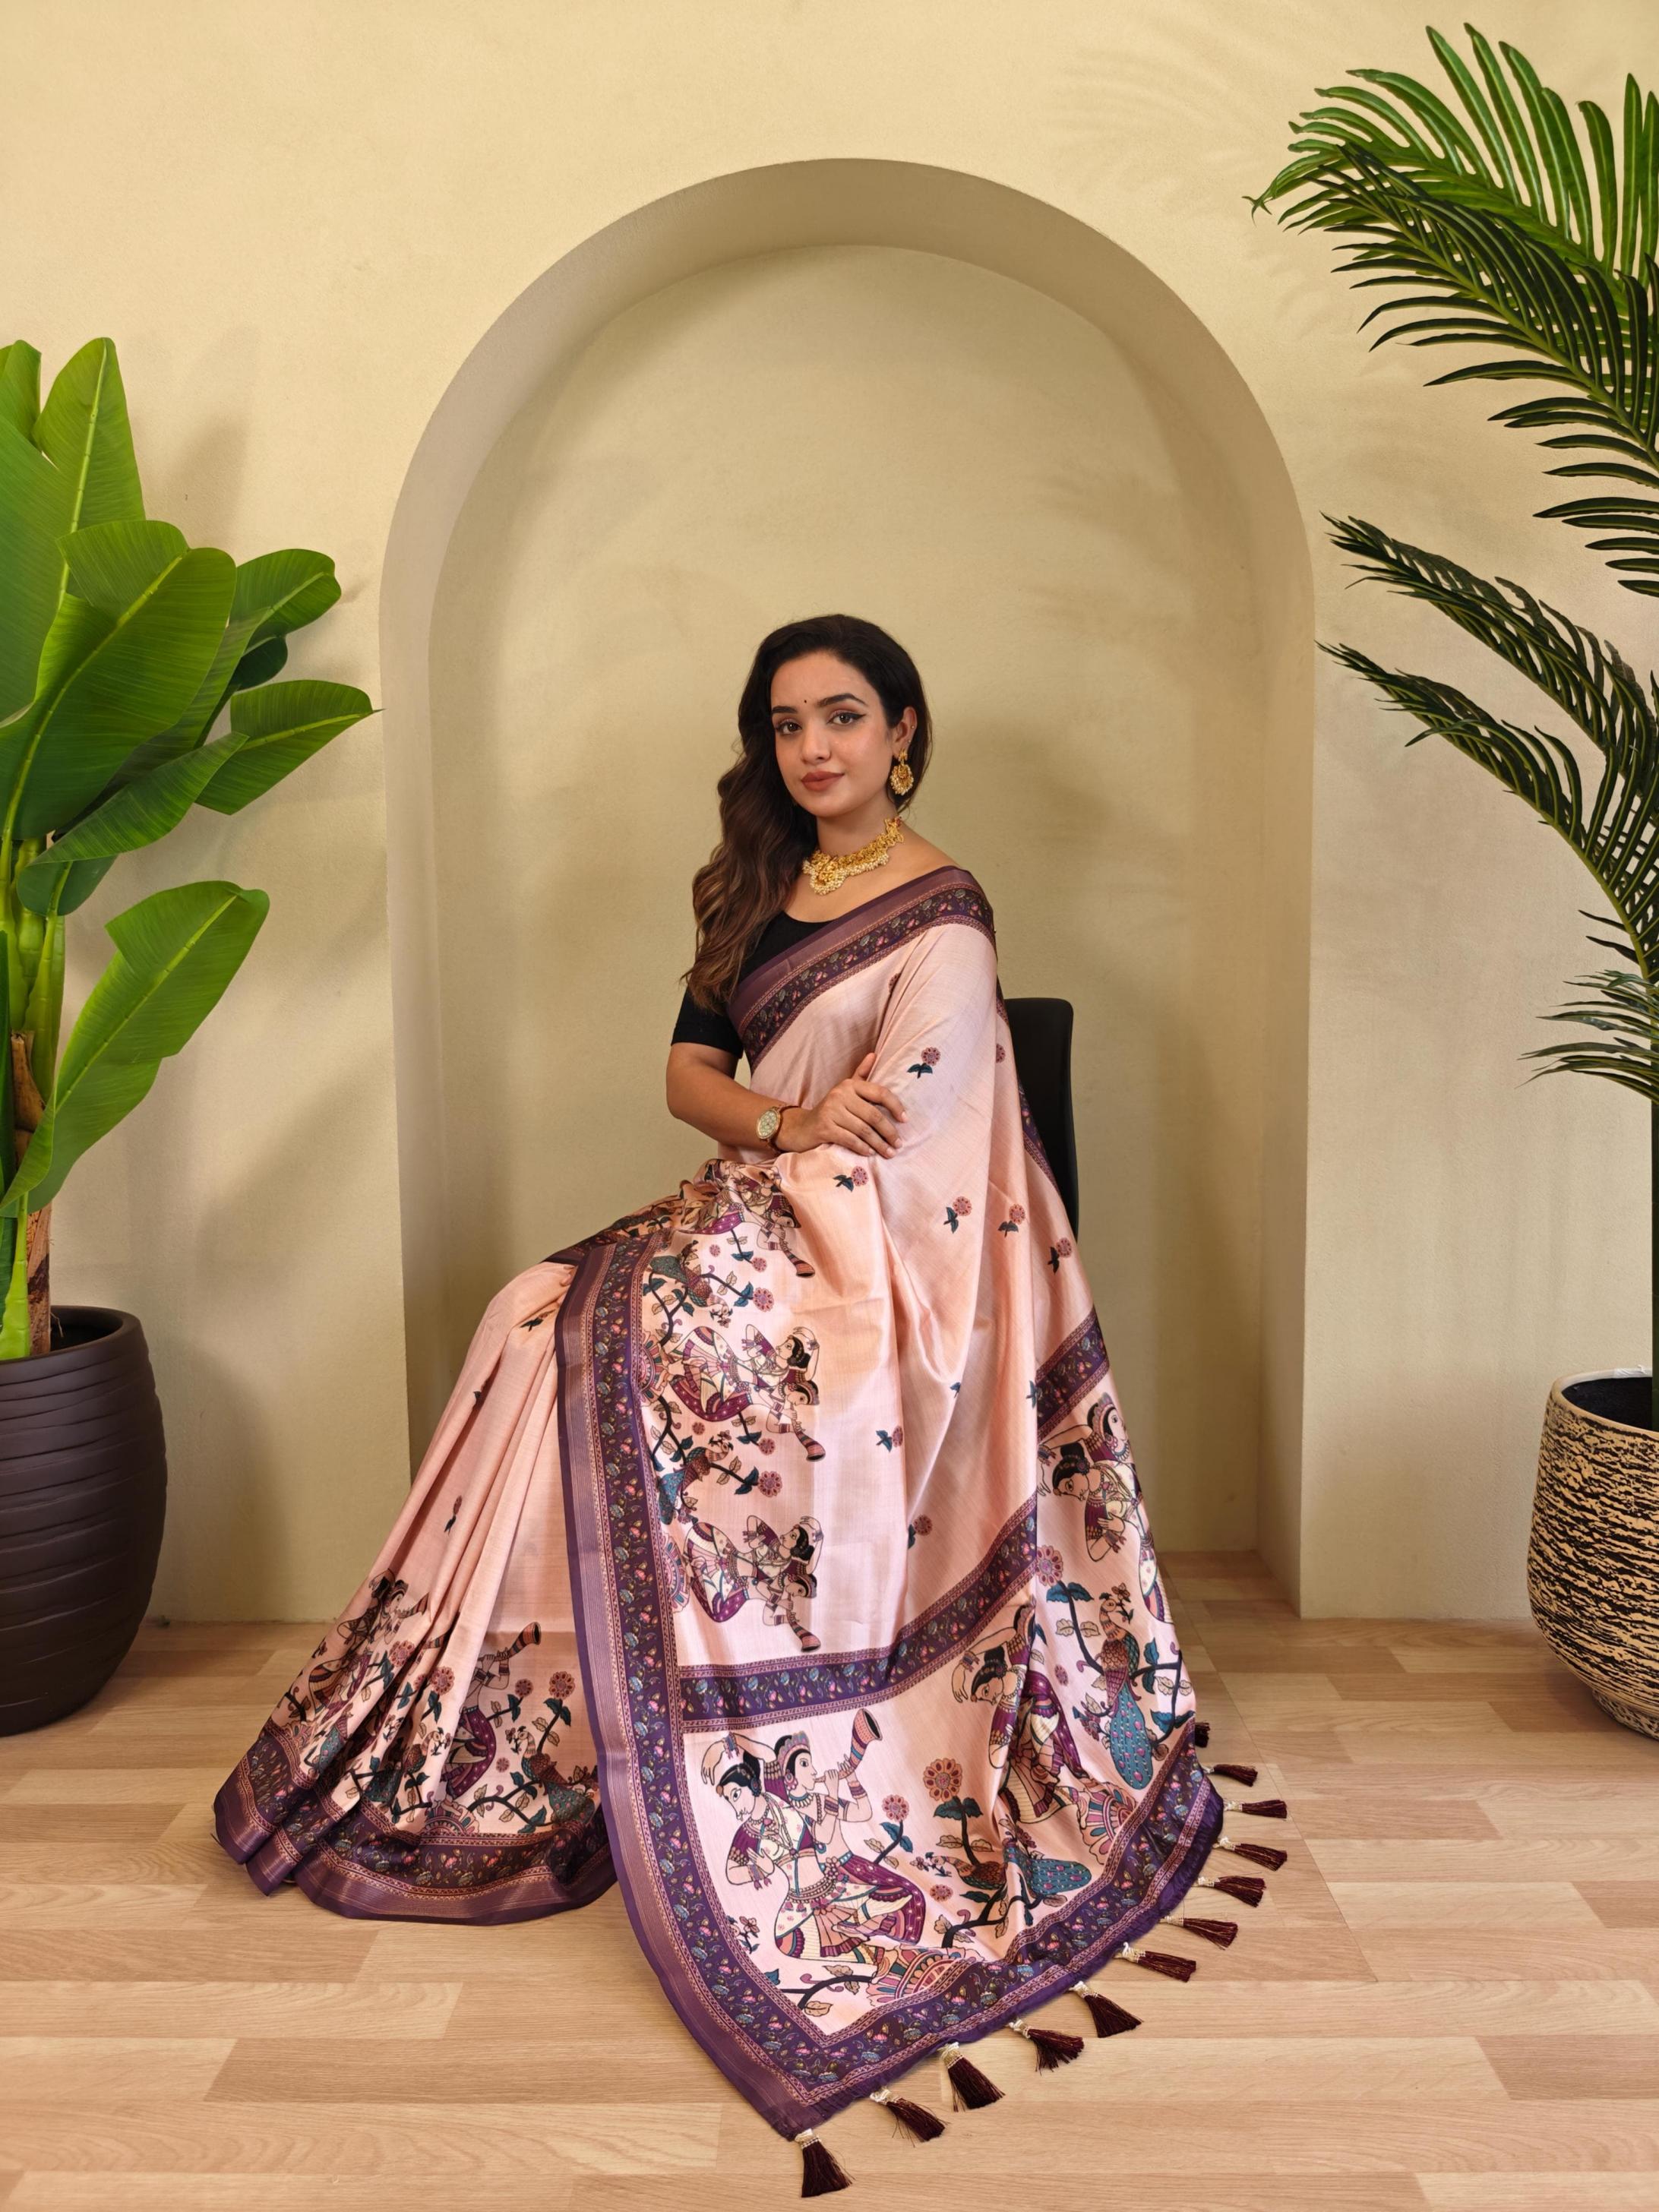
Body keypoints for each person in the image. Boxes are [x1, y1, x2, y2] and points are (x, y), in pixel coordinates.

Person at [215, 612, 1247, 2184]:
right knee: (529, 1318)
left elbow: (911, 1148)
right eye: (786, 723)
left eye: (843, 717)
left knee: (615, 1338)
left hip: (874, 1262)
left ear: (904, 732)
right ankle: (548, 1720)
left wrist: (789, 1165)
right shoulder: (758, 888)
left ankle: (682, 1702)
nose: (813, 747)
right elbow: (689, 1082)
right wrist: (778, 1125)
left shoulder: (947, 919)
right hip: (763, 1198)